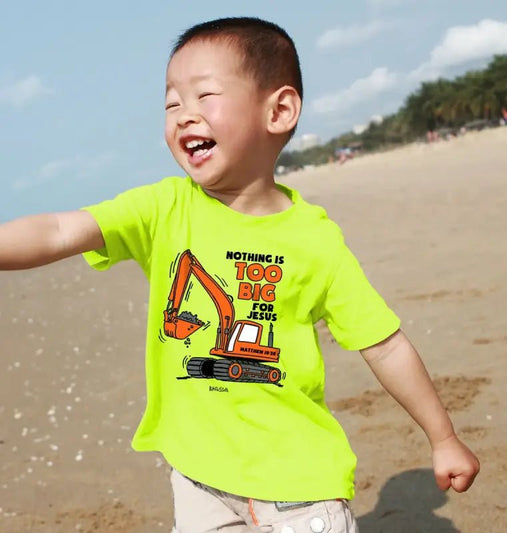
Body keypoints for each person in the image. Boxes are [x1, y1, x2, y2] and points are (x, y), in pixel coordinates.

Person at [0, 17, 479, 533]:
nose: (184, 114)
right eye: (171, 103)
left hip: (297, 485)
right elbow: (58, 230)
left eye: (204, 96)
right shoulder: (163, 209)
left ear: (279, 110)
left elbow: (383, 345)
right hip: (198, 476)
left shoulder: (313, 240)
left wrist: (443, 436)